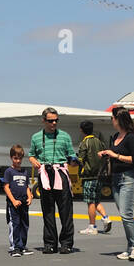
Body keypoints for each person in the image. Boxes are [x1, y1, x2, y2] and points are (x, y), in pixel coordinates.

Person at [29, 107, 78, 254]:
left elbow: (71, 155)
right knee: (48, 210)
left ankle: (66, 243)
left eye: (56, 120)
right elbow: (31, 154)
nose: (54, 123)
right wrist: (33, 160)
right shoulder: (36, 137)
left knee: (66, 210)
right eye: (50, 121)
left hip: (60, 172)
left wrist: (74, 161)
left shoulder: (65, 136)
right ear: (44, 121)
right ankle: (50, 243)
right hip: (45, 174)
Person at [101, 108, 134, 260]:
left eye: (112, 118)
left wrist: (116, 155)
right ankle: (130, 247)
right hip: (116, 178)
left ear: (118, 119)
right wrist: (107, 154)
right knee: (123, 214)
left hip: (129, 178)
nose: (111, 121)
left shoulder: (131, 137)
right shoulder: (115, 137)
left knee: (126, 214)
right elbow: (114, 156)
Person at [76, 120, 111, 234]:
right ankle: (105, 218)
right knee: (96, 200)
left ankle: (92, 227)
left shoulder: (84, 143)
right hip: (99, 176)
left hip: (89, 176)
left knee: (90, 202)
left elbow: (80, 159)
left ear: (81, 130)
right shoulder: (99, 142)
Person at [2, 144, 32, 257]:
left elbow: (26, 187)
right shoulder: (9, 171)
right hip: (14, 204)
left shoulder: (24, 172)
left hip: (24, 203)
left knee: (25, 225)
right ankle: (15, 247)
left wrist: (29, 196)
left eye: (20, 158)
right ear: (11, 158)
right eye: (15, 158)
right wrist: (13, 201)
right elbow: (6, 187)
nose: (18, 160)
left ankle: (22, 246)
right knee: (16, 224)